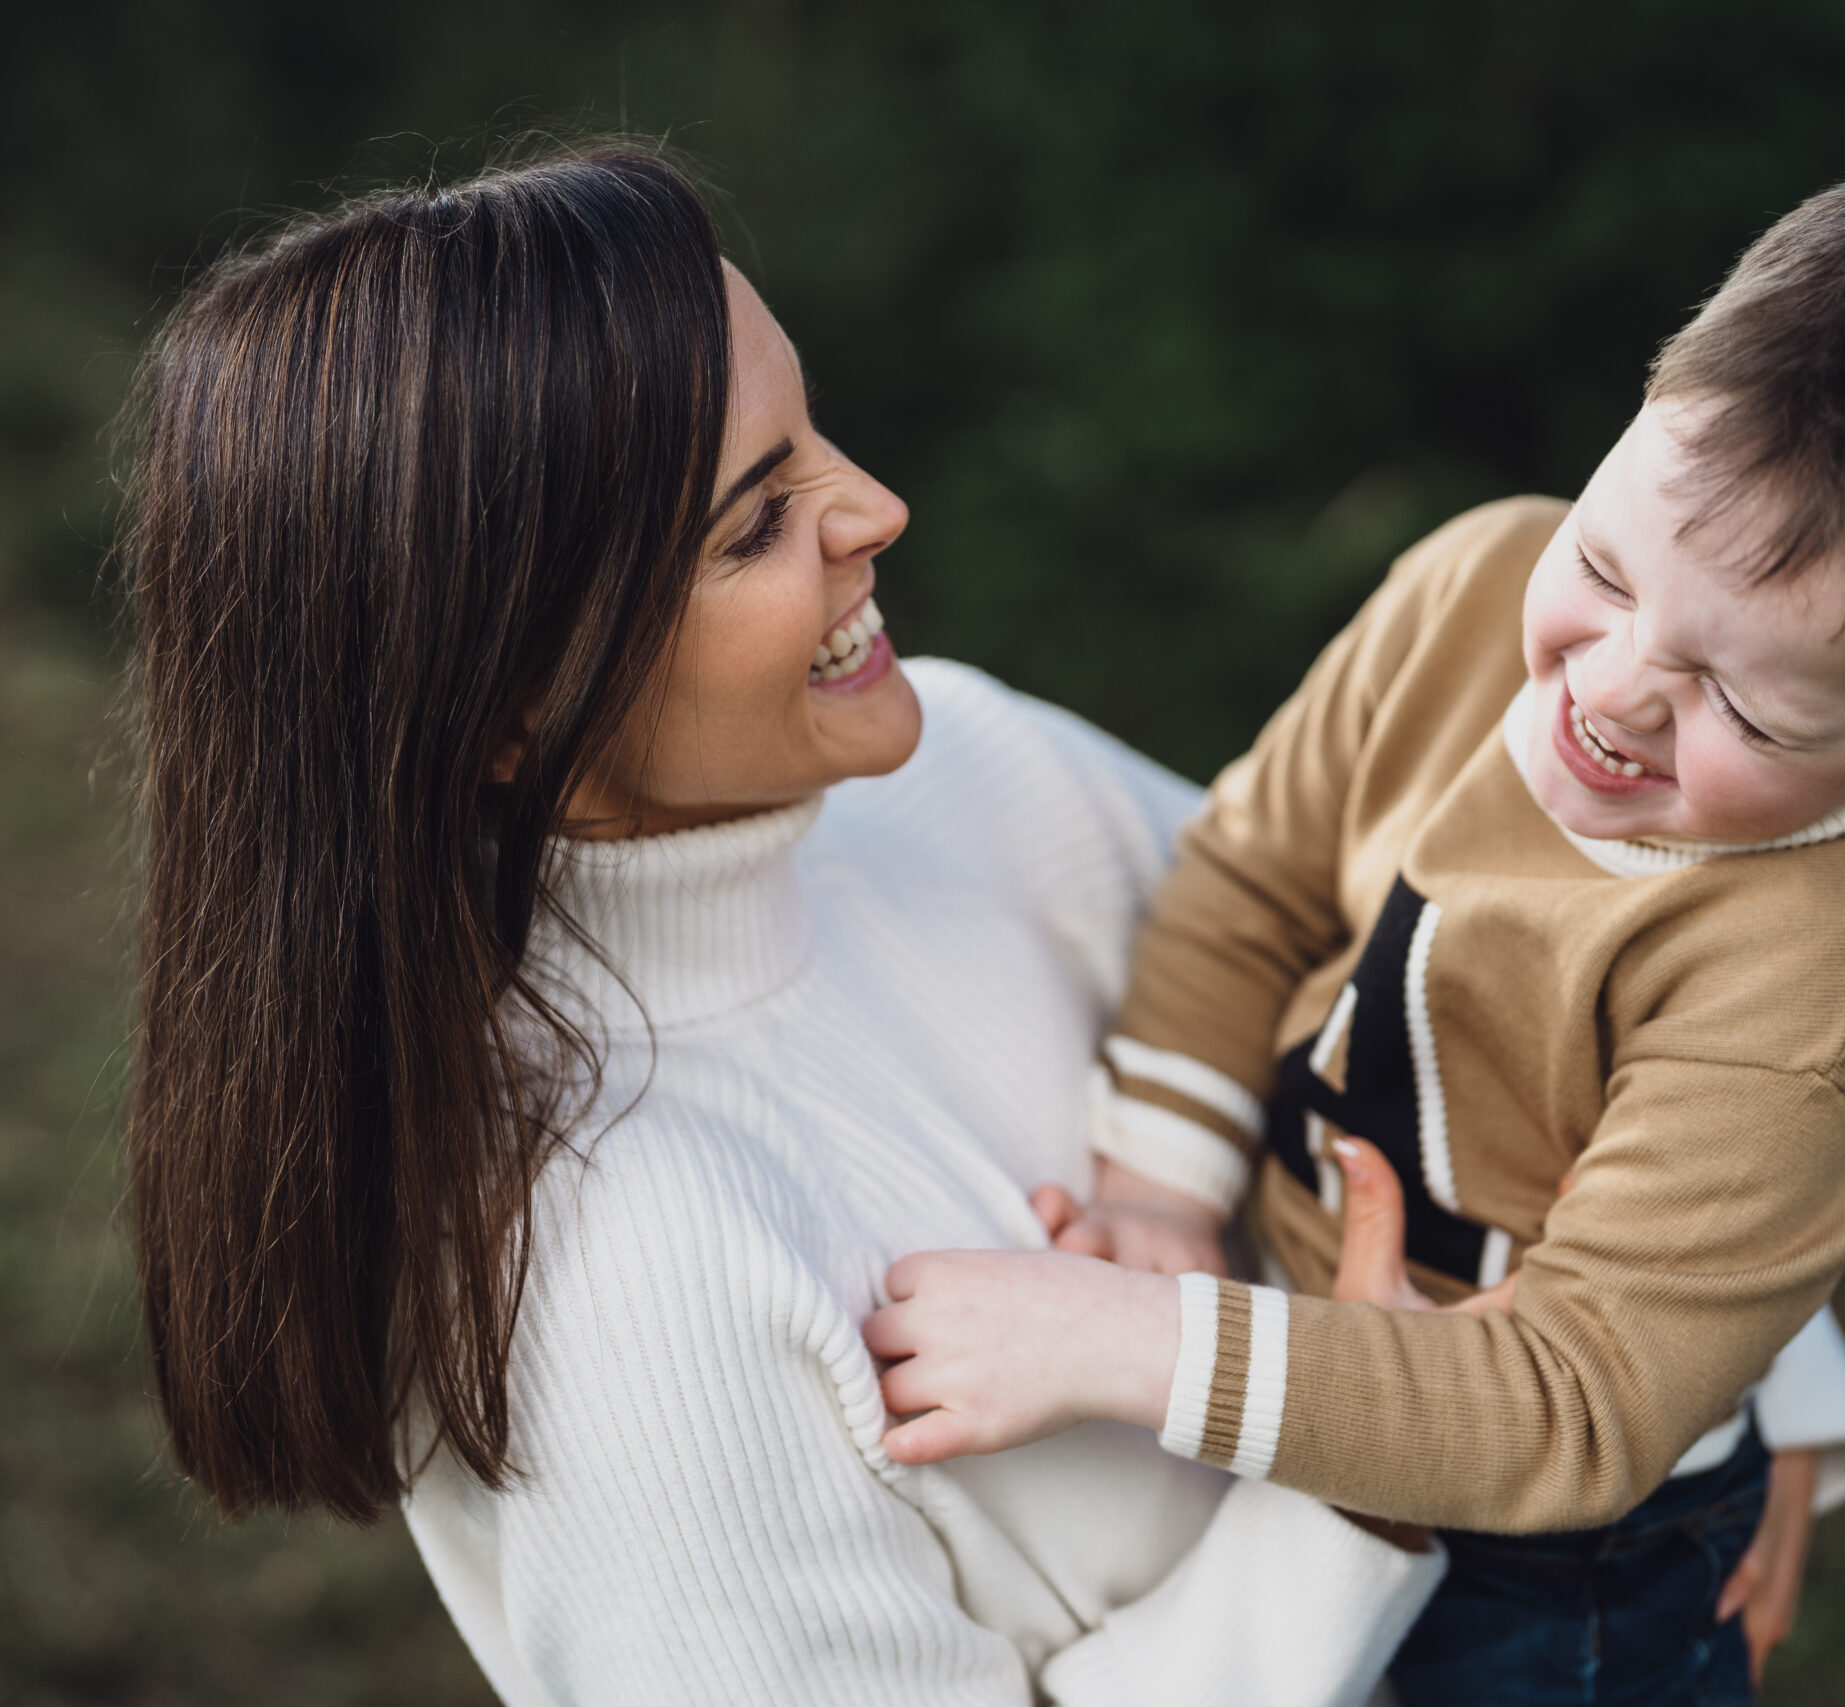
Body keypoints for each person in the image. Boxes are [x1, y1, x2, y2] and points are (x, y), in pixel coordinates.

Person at [864, 150, 1845, 1701]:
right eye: (1604, 567)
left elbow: (1572, 1408)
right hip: (1280, 1348)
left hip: (1555, 1567)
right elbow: (1252, 868)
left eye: (1746, 707)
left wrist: (1134, 1341)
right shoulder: (1471, 585)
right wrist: (1164, 1192)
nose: (1615, 692)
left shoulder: (1807, 1000)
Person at [119, 142, 1457, 1707]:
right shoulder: (626, 1291)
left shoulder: (970, 759)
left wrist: (1757, 1391)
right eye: (751, 526)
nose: (877, 509)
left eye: (812, 434)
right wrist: (1368, 1461)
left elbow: (1483, 978)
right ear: (500, 706)